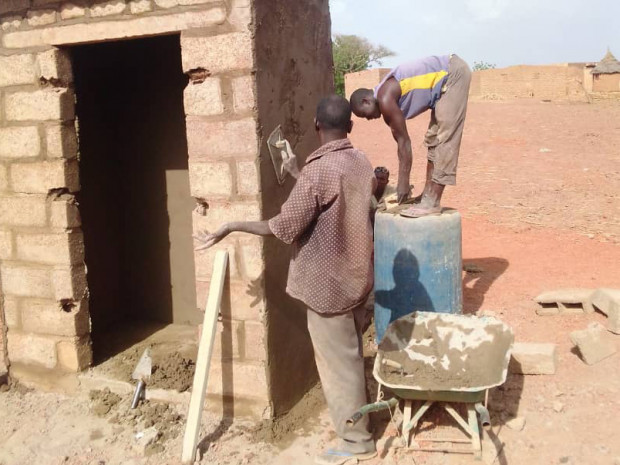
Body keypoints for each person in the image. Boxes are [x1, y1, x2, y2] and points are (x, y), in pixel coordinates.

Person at [194, 95, 377, 465]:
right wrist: (297, 174)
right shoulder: (360, 162)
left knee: (338, 367)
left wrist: (231, 225)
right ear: (351, 127)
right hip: (357, 277)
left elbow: (283, 227)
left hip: (328, 287)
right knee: (351, 356)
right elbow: (331, 198)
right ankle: (362, 420)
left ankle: (357, 441)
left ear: (315, 126)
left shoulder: (318, 171)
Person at [350, 54, 472, 217]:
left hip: (452, 74)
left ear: (366, 101)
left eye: (364, 115)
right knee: (433, 139)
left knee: (445, 138)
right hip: (442, 87)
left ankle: (433, 200)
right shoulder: (385, 95)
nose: (369, 119)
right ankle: (427, 195)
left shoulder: (385, 99)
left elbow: (404, 142)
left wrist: (403, 182)